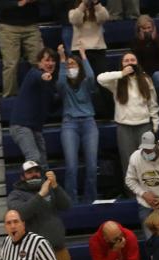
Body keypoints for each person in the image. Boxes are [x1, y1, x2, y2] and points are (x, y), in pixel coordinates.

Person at [98, 52, 159, 176]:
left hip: (144, 126)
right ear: (122, 64)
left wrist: (155, 124)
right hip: (124, 127)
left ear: (137, 63)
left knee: (149, 162)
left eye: (132, 60)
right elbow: (100, 78)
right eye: (126, 61)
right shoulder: (116, 81)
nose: (130, 63)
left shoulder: (146, 79)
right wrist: (121, 74)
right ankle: (132, 193)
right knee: (129, 163)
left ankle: (151, 192)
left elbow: (152, 103)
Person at [56, 45, 98, 206]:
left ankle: (90, 200)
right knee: (71, 166)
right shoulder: (65, 86)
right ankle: (71, 202)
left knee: (92, 166)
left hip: (89, 122)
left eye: (73, 64)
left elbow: (92, 76)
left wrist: (83, 54)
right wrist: (62, 59)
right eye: (68, 65)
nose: (70, 67)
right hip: (69, 124)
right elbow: (59, 82)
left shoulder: (86, 83)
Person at [9, 47, 57, 168]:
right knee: (34, 159)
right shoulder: (33, 73)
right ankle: (27, 186)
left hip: (35, 128)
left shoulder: (50, 86)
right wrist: (44, 76)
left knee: (44, 164)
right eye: (47, 60)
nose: (50, 63)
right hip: (21, 125)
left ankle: (44, 186)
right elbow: (38, 76)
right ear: (39, 63)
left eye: (52, 60)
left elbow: (52, 108)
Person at [0, 0, 43, 97]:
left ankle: (43, 92)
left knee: (39, 61)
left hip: (31, 25)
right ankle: (10, 97)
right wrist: (19, 3)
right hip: (8, 27)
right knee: (11, 64)